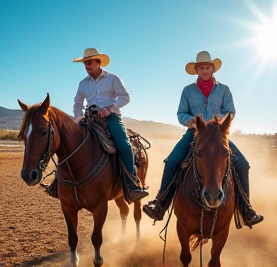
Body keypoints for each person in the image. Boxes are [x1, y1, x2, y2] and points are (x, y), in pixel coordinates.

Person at [143, 51, 263, 227]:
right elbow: (181, 113)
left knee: (243, 164)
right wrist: (189, 120)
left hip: (218, 134)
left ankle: (246, 208)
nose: (204, 71)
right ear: (196, 71)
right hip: (195, 133)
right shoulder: (187, 91)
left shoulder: (224, 90)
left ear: (213, 69)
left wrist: (220, 119)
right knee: (172, 161)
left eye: (207, 67)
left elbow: (231, 111)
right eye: (201, 68)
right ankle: (160, 203)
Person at [73, 47, 149, 203]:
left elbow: (125, 97)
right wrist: (78, 118)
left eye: (89, 63)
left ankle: (132, 183)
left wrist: (110, 109)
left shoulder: (112, 79)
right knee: (71, 143)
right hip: (89, 120)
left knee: (124, 145)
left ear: (98, 63)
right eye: (85, 63)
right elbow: (78, 102)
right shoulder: (83, 84)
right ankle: (61, 182)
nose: (87, 66)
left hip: (111, 118)